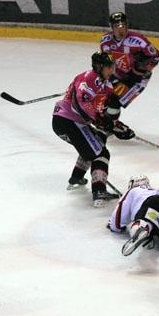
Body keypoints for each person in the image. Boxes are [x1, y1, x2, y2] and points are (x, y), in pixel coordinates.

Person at [52, 51, 120, 208]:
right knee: (101, 154)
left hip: (71, 122)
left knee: (97, 142)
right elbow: (83, 105)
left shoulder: (106, 85)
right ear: (99, 67)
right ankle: (99, 191)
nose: (112, 70)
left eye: (113, 67)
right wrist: (100, 119)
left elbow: (99, 110)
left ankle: (76, 178)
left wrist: (116, 125)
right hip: (68, 121)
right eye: (109, 67)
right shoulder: (88, 79)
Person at [99, 12, 159, 129]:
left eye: (123, 26)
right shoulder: (105, 41)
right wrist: (108, 76)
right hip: (118, 75)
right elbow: (106, 61)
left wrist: (143, 68)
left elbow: (156, 56)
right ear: (112, 27)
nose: (120, 29)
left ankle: (112, 125)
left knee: (115, 101)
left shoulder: (139, 41)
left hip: (137, 79)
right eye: (117, 26)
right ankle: (109, 122)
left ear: (127, 25)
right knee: (105, 99)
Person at [109, 175, 159, 256]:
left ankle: (142, 227)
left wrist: (113, 226)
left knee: (147, 220)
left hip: (153, 203)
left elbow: (117, 221)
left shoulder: (133, 191)